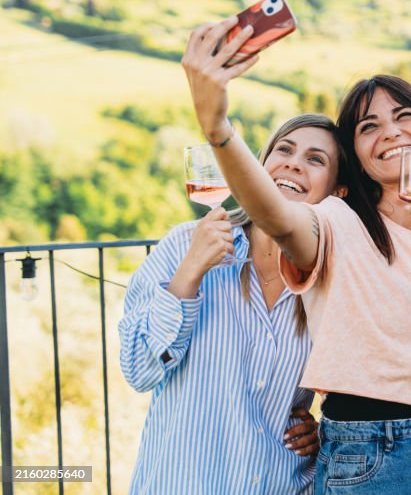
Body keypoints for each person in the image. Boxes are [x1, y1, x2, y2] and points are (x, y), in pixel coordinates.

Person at [181, 17, 411, 494]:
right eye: (368, 126)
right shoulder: (335, 222)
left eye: (403, 116)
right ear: (356, 154)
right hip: (374, 456)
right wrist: (217, 127)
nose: (390, 132)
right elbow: (274, 214)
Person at [119, 112, 344, 494]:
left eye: (315, 159)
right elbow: (139, 370)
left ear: (338, 194)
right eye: (284, 150)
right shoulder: (183, 244)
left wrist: (326, 433)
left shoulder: (334, 278)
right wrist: (192, 269)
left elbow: (367, 384)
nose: (293, 162)